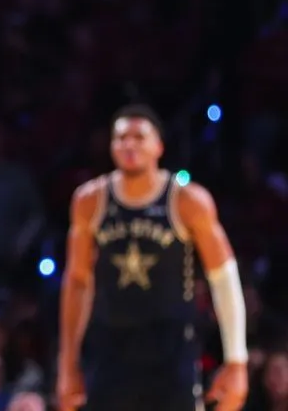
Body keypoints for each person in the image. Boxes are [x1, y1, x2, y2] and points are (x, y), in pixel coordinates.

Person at [56, 104, 249, 411]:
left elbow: (224, 278)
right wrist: (67, 363)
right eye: (121, 138)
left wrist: (237, 361)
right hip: (110, 347)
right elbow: (78, 281)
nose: (129, 145)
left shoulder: (188, 200)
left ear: (159, 146)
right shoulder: (90, 200)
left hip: (171, 348)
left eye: (138, 137)